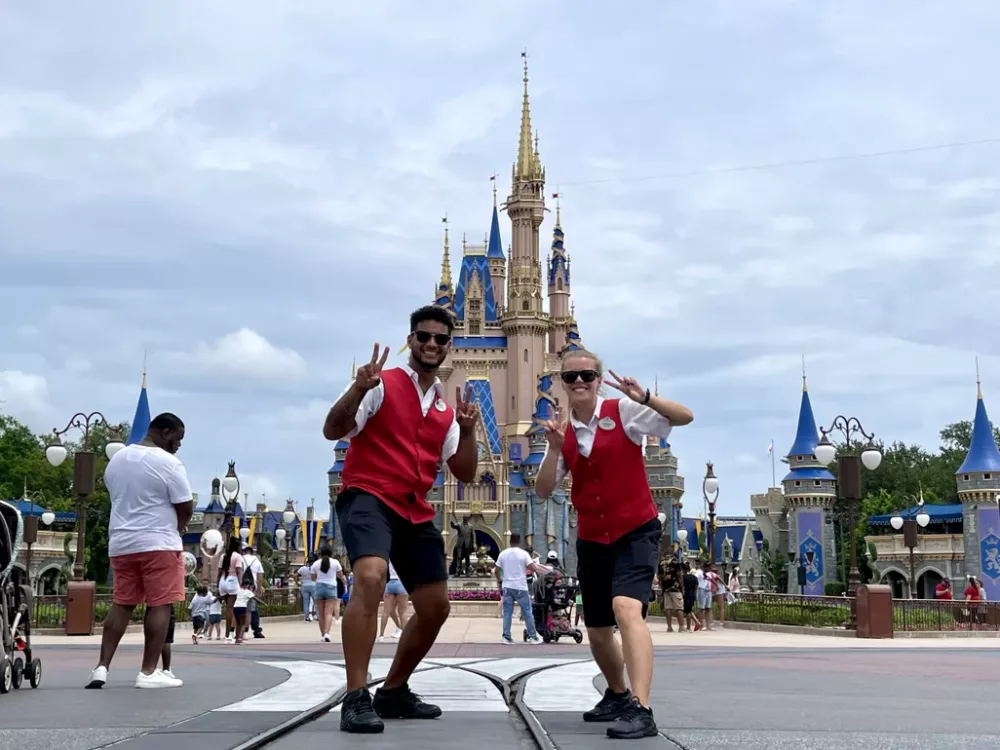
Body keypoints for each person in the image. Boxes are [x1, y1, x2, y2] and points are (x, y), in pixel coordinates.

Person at [321, 306, 480, 735]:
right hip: (369, 494)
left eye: (440, 339)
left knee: (434, 608)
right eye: (423, 337)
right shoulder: (381, 383)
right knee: (370, 576)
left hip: (414, 506)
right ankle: (356, 697)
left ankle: (392, 691)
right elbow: (333, 430)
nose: (431, 344)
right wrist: (357, 390)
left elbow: (464, 473)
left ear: (450, 346)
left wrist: (467, 431)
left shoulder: (446, 410)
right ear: (410, 340)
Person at [535, 350, 692, 739]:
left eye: (586, 375)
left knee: (626, 608)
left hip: (635, 529)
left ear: (598, 377)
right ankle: (618, 694)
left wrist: (645, 398)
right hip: (591, 536)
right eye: (570, 377)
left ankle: (641, 707)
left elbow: (684, 416)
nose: (579, 382)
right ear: (562, 382)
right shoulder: (564, 432)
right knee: (598, 627)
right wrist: (554, 448)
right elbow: (542, 490)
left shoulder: (622, 410)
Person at [87, 412, 192, 690]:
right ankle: (148, 672)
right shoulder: (169, 463)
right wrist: (179, 527)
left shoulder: (117, 460)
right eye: (178, 439)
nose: (179, 445)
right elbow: (185, 505)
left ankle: (101, 667)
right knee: (160, 604)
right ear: (166, 432)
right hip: (158, 542)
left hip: (122, 543)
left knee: (122, 603)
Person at [495, 534, 548, 644]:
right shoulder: (523, 554)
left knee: (508, 613)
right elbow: (533, 568)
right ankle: (533, 637)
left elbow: (496, 570)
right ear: (519, 541)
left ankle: (506, 637)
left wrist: (500, 580)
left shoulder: (503, 554)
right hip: (520, 587)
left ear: (510, 541)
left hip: (507, 586)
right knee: (527, 612)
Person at [312, 543, 346, 641]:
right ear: (331, 553)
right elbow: (340, 575)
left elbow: (313, 578)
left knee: (321, 613)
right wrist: (344, 581)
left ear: (321, 553)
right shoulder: (335, 562)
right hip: (331, 587)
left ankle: (322, 635)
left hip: (319, 587)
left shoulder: (316, 563)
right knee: (328, 613)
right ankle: (327, 633)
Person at [218, 538, 245, 642]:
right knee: (231, 609)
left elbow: (219, 571)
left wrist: (217, 584)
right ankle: (228, 634)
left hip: (223, 581)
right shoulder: (237, 556)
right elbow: (239, 571)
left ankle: (229, 633)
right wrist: (241, 583)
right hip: (232, 580)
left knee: (228, 609)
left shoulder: (223, 556)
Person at [240, 542, 266, 639]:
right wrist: (259, 589)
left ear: (243, 551)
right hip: (252, 587)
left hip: (241, 586)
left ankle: (237, 630)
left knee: (239, 608)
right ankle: (252, 630)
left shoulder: (240, 559)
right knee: (250, 610)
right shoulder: (256, 561)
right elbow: (260, 577)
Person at [380, 561, 409, 642]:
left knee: (386, 611)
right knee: (403, 612)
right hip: (401, 581)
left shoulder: (387, 556)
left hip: (389, 582)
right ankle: (405, 635)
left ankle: (381, 635)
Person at [233, 578, 256, 644]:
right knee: (243, 624)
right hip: (243, 607)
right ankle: (240, 638)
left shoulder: (238, 590)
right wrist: (263, 603)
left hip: (235, 607)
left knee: (238, 624)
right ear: (248, 585)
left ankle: (236, 639)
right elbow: (255, 598)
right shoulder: (248, 592)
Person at [296, 556, 317, 622]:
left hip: (304, 585)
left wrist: (297, 583)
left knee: (306, 602)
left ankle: (307, 617)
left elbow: (295, 575)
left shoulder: (302, 568)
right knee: (316, 602)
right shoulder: (315, 568)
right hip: (313, 585)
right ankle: (318, 616)